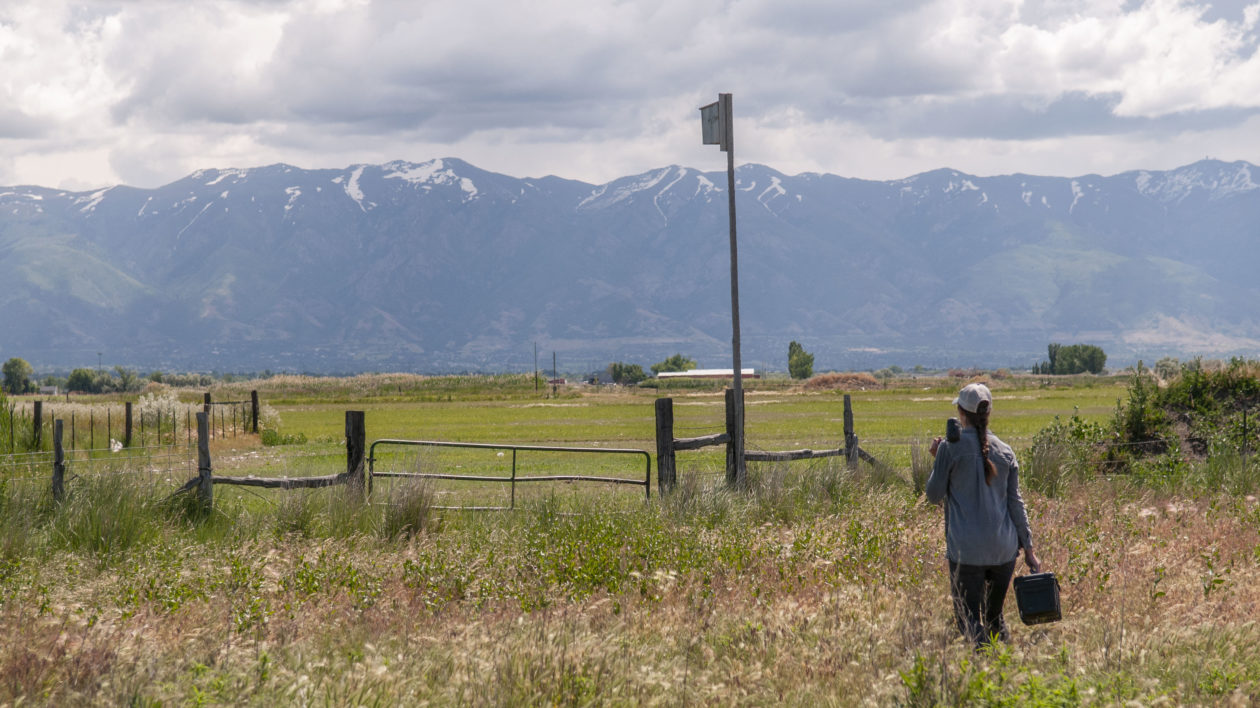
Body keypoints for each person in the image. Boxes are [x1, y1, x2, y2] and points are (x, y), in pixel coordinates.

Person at [927, 382, 1040, 648]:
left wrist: (937, 459)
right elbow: (1016, 503)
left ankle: (983, 670)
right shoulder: (1005, 451)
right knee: (994, 617)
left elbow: (933, 494)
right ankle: (1003, 666)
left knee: (968, 619)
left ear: (960, 413)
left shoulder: (949, 449)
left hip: (967, 551)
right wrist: (1030, 549)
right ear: (988, 414)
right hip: (1003, 549)